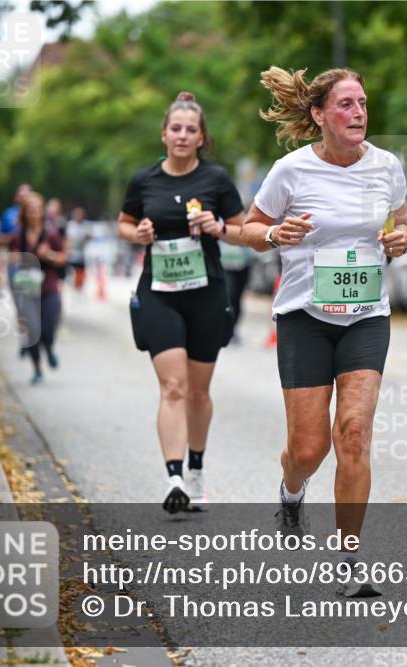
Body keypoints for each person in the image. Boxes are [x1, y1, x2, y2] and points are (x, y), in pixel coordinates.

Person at [241, 67, 407, 597]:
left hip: (365, 316)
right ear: (319, 115)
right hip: (304, 318)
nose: (358, 112)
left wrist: (398, 240)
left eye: (362, 103)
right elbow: (249, 229)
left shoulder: (386, 167)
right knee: (309, 449)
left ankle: (349, 558)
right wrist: (273, 232)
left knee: (353, 433)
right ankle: (292, 494)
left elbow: (399, 223)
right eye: (346, 104)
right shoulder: (290, 171)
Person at [117, 92, 246, 513]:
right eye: (176, 128)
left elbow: (244, 229)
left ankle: (195, 469)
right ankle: (174, 478)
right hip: (159, 293)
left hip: (206, 292)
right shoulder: (144, 181)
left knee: (198, 392)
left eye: (191, 130)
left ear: (201, 137)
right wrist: (136, 235)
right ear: (164, 134)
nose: (183, 135)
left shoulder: (217, 181)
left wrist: (218, 225)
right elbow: (125, 222)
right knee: (173, 386)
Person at [9, 192, 67, 385]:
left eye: (37, 209)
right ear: (25, 212)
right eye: (30, 209)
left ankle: (49, 348)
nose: (34, 213)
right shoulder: (18, 236)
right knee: (32, 331)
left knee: (48, 328)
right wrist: (16, 259)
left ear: (43, 212)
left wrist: (49, 254)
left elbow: (63, 258)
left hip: (48, 286)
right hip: (27, 288)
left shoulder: (51, 234)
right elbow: (11, 258)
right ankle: (37, 369)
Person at [65, 207, 90, 291]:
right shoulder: (71, 225)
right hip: (72, 253)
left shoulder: (86, 225)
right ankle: (73, 286)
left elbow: (89, 237)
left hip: (81, 254)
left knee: (80, 272)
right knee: (71, 272)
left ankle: (79, 287)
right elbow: (67, 239)